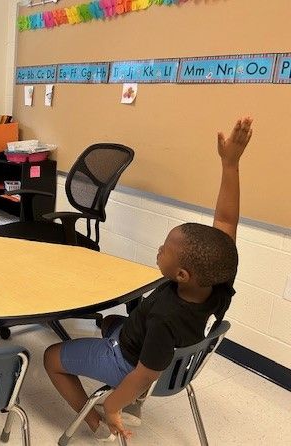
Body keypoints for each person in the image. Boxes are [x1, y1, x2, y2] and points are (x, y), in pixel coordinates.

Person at [43, 117, 253, 441]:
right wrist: (231, 164)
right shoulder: (218, 281)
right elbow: (226, 221)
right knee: (110, 320)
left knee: (51, 356)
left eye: (165, 250)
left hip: (127, 363)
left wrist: (113, 406)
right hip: (149, 346)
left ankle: (95, 424)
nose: (159, 250)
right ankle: (120, 375)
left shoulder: (164, 319)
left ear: (182, 275)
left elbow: (145, 373)